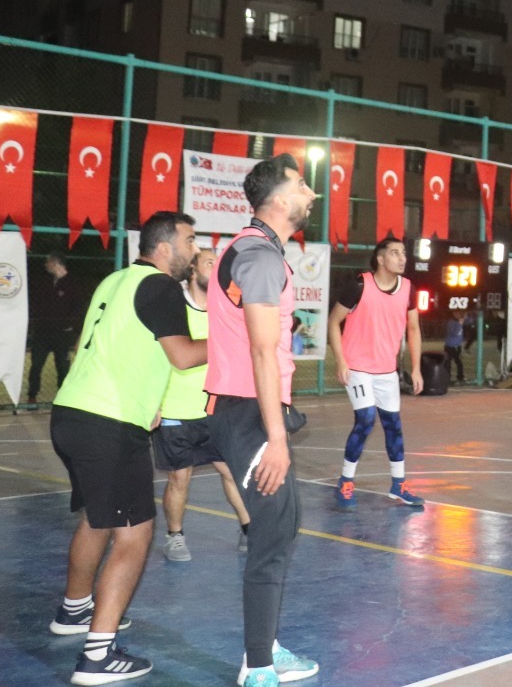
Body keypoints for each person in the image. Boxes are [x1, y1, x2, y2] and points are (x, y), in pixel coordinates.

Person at [48, 212, 206, 684]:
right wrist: (234, 342)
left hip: (71, 413)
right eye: (190, 240)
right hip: (108, 424)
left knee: (98, 518)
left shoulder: (115, 280)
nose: (195, 249)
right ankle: (98, 655)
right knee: (134, 534)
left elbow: (121, 346)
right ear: (164, 247)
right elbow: (181, 355)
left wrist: (150, 400)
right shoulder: (161, 287)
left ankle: (75, 611)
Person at [204, 153, 320, 687]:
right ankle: (258, 668)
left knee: (282, 528)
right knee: (272, 537)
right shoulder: (258, 256)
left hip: (247, 411)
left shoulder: (257, 251)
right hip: (249, 415)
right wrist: (276, 436)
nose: (311, 192)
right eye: (301, 184)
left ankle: (265, 648)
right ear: (278, 199)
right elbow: (260, 352)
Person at [155, 246, 251, 562]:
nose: (217, 268)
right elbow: (157, 357)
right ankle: (175, 536)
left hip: (214, 410)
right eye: (210, 262)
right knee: (179, 477)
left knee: (231, 471)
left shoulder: (224, 311)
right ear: (193, 269)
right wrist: (153, 401)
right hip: (174, 409)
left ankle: (250, 530)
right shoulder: (173, 307)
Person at [328, 237, 425, 510]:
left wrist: (416, 369)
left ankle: (398, 485)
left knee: (393, 425)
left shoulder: (408, 289)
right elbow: (333, 322)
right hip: (358, 367)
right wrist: (341, 362)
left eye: (403, 253)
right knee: (367, 418)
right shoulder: (359, 285)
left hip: (386, 372)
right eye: (394, 253)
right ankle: (346, 480)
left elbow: (414, 330)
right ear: (380, 259)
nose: (402, 257)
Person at [29, 253, 85, 405]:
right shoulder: (45, 282)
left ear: (56, 263)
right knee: (36, 365)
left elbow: (79, 307)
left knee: (62, 366)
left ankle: (62, 397)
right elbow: (36, 303)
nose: (46, 265)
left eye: (48, 262)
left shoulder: (73, 283)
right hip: (42, 333)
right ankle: (32, 396)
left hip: (61, 334)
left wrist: (69, 325)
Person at [443, 310, 466, 384]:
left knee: (459, 363)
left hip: (457, 346)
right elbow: (454, 333)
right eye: (456, 313)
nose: (458, 315)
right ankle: (447, 378)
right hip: (450, 346)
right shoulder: (451, 322)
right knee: (448, 363)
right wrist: (459, 325)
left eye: (459, 313)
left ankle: (460, 377)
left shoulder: (460, 322)